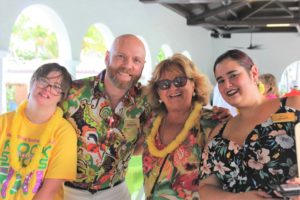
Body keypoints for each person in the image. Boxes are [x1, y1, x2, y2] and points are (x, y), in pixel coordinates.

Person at [199, 49, 300, 199]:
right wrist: (238, 198)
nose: (227, 85)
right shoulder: (219, 132)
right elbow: (206, 188)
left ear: (253, 73)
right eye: (220, 80)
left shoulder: (293, 106)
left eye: (233, 75)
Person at [62, 34, 151, 200]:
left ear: (142, 66)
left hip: (116, 191)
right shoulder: (72, 92)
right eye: (121, 56)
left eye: (136, 60)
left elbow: (141, 146)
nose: (128, 65)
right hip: (68, 191)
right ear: (107, 57)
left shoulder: (146, 102)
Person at [141, 53, 220, 199]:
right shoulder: (150, 123)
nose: (172, 88)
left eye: (179, 81)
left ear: (194, 84)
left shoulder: (212, 123)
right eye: (164, 84)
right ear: (158, 92)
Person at [0, 63, 77, 200]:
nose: (47, 89)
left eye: (56, 87)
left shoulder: (64, 133)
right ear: (32, 82)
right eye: (43, 81)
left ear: (61, 96)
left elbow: (50, 190)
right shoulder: (3, 122)